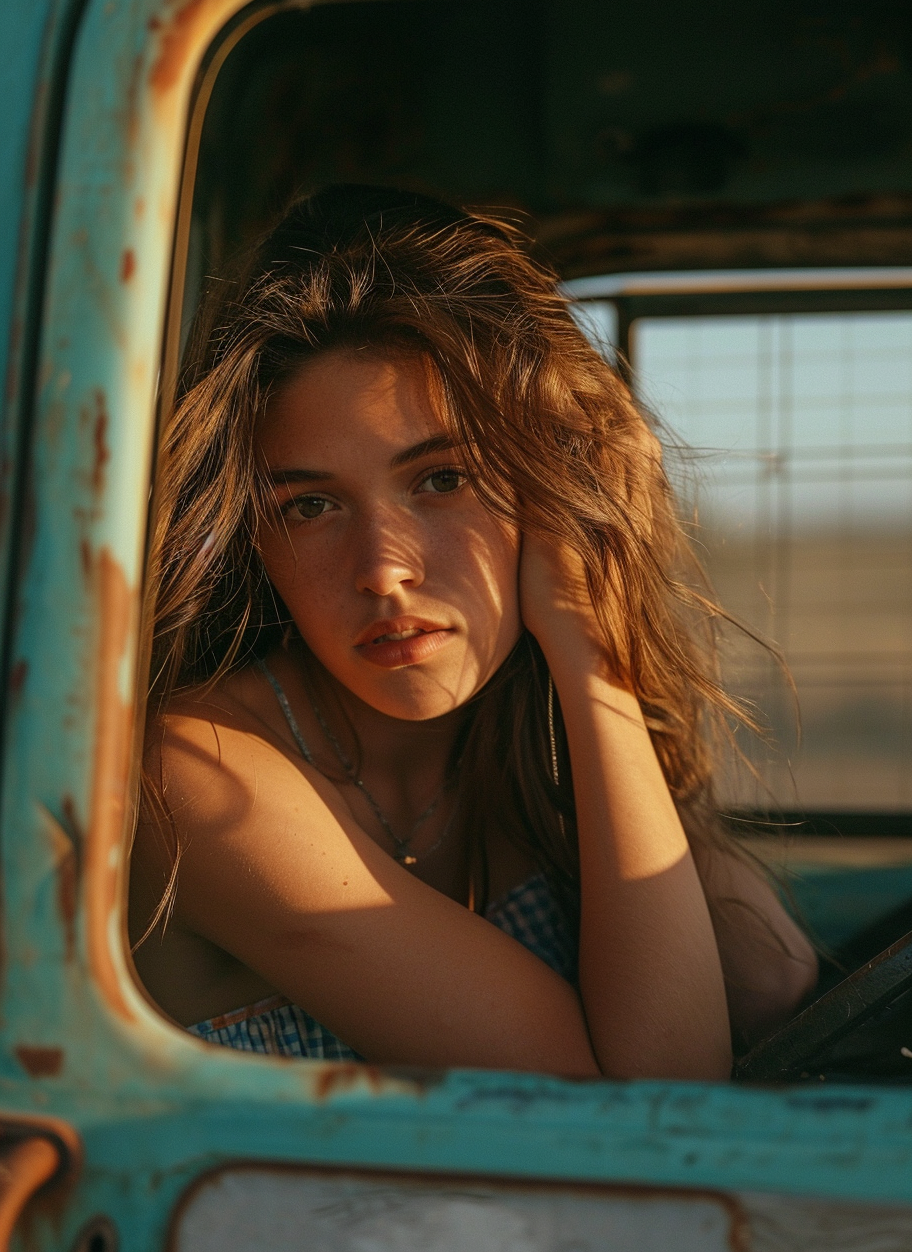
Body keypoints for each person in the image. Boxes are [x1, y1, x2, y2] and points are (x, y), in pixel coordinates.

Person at [129, 185, 816, 1078]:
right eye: (309, 505)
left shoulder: (525, 737)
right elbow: (652, 1101)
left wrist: (593, 639)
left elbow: (771, 979)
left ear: (553, 494)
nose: (384, 568)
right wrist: (592, 666)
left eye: (441, 480)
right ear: (253, 540)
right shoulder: (202, 775)